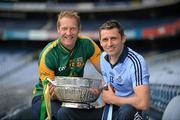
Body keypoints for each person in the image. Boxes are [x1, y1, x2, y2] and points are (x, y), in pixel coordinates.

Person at [31, 10, 103, 120]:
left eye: (73, 28)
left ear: (79, 29)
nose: (68, 33)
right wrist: (87, 92)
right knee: (65, 114)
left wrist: (101, 88)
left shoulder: (87, 44)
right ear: (58, 30)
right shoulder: (49, 54)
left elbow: (106, 70)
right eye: (64, 28)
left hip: (75, 99)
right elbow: (51, 93)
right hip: (46, 99)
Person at [99, 20, 150, 120]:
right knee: (66, 113)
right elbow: (108, 84)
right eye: (105, 39)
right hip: (113, 107)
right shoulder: (103, 57)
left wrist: (113, 99)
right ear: (100, 42)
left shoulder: (136, 62)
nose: (109, 44)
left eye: (113, 38)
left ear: (123, 39)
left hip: (133, 110)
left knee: (126, 110)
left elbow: (143, 103)